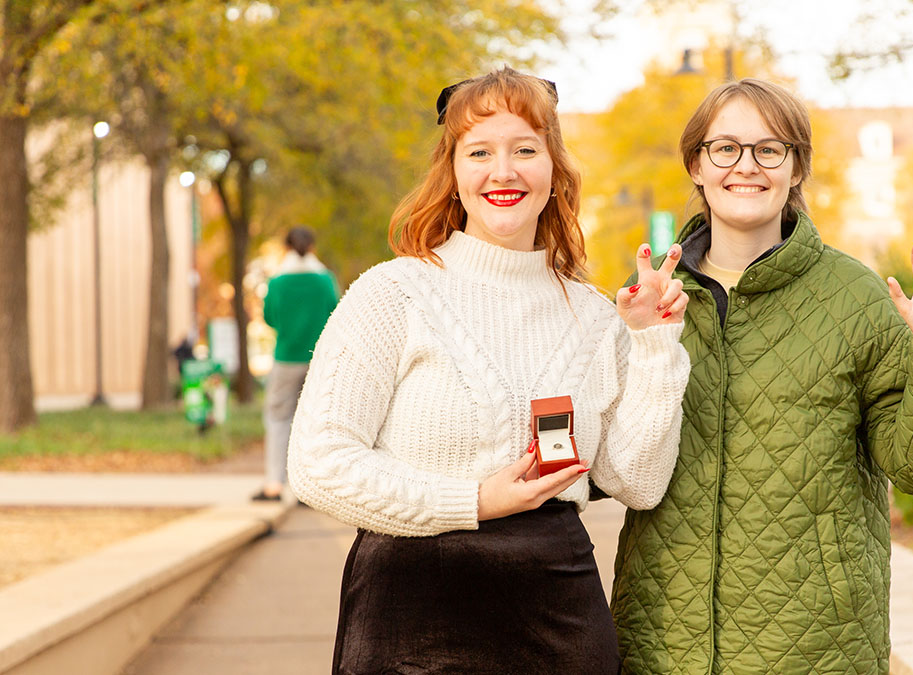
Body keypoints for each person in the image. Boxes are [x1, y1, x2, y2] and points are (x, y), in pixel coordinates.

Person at [287, 67, 691, 674]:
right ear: (452, 173)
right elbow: (319, 465)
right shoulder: (393, 293)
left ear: (554, 170)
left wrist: (655, 344)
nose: (503, 171)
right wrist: (473, 500)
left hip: (557, 618)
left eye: (525, 149)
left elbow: (636, 482)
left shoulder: (595, 316)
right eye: (480, 152)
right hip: (411, 616)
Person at [609, 78, 913, 674]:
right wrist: (644, 339)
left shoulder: (855, 297)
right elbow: (613, 472)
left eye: (769, 148)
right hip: (662, 638)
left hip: (816, 645)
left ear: (797, 167)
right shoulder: (651, 299)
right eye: (724, 148)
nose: (746, 166)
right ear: (697, 165)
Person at [253, 226, 339, 501]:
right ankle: (307, 490)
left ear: (286, 248)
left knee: (278, 418)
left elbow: (269, 317)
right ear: (312, 247)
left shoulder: (277, 282)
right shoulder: (325, 280)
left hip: (286, 357)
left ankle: (274, 485)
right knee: (313, 423)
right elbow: (335, 312)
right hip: (319, 360)